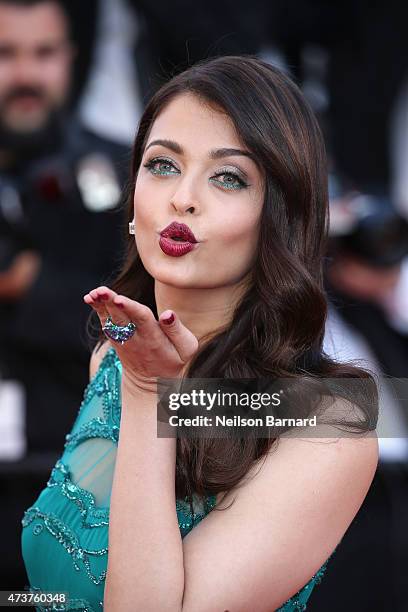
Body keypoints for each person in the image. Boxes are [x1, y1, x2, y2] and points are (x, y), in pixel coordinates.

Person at [21, 55, 379, 611]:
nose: (183, 197)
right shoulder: (110, 361)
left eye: (228, 177)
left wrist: (150, 394)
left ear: (278, 217)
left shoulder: (329, 428)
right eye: (162, 165)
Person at [0, 0, 129, 454]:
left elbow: (139, 329)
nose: (26, 76)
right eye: (5, 53)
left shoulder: (130, 173)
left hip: (84, 468)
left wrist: (31, 286)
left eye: (44, 53)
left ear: (70, 57)